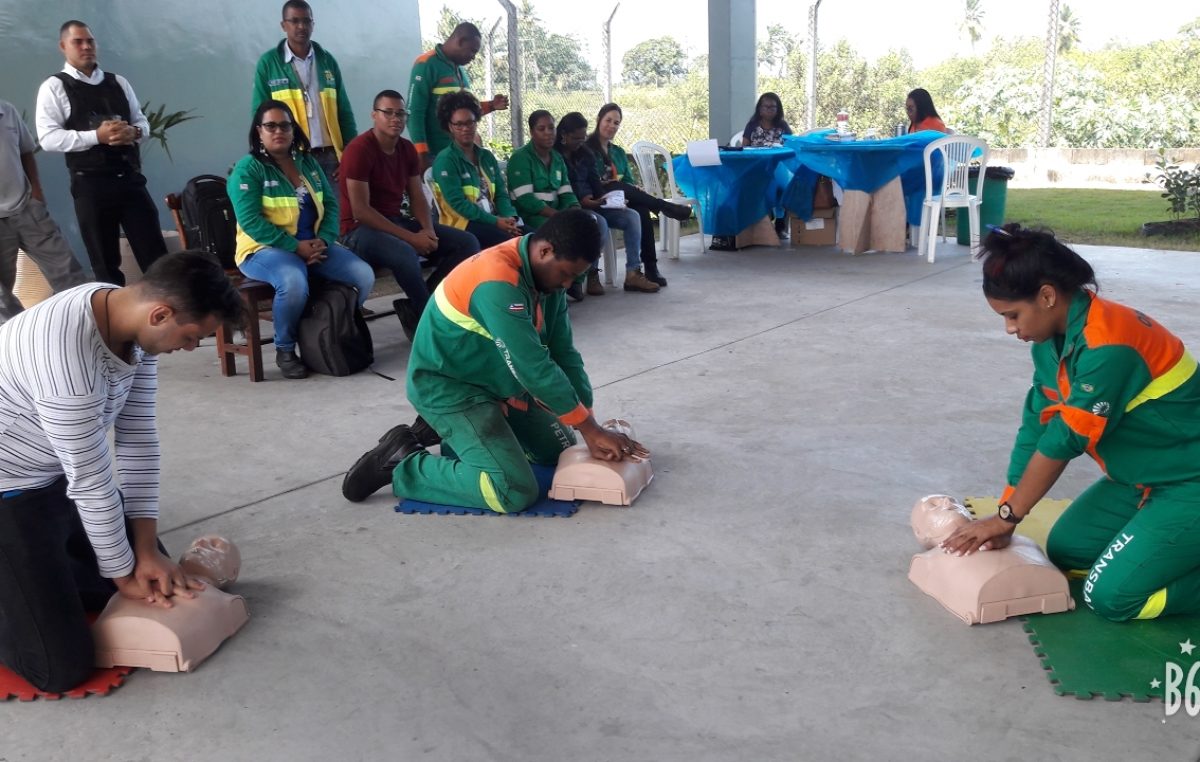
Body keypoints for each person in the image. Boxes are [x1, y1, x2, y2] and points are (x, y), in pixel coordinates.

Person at [0, 250, 244, 693]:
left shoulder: (130, 325)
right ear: (161, 313)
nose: (188, 349)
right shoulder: (65, 363)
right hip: (9, 489)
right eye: (190, 338)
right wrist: (123, 571)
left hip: (53, 475)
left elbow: (138, 441)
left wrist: (145, 552)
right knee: (59, 667)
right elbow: (92, 481)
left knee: (150, 580)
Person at [942, 225, 1200, 622]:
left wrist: (1008, 517)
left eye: (1013, 315)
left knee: (1111, 598)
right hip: (1139, 479)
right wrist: (1007, 509)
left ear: (1046, 296)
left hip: (1189, 482)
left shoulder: (1109, 344)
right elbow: (1036, 428)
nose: (1010, 329)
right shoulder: (1051, 343)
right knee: (1067, 551)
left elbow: (1065, 439)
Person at [341, 208, 649, 512]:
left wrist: (587, 420)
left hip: (500, 384)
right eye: (567, 274)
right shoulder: (496, 281)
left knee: (562, 454)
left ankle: (455, 437)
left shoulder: (547, 279)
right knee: (513, 491)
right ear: (544, 250)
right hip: (450, 388)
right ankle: (402, 463)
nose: (568, 285)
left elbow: (563, 353)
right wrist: (592, 431)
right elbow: (532, 367)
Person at [227, 100, 375, 380]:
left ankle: (324, 329)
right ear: (259, 131)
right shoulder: (248, 169)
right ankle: (285, 349)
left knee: (362, 275)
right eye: (270, 126)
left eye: (285, 125)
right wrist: (295, 247)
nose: (278, 131)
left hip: (313, 246)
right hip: (263, 250)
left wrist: (325, 239)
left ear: (293, 130)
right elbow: (250, 221)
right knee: (293, 281)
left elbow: (331, 205)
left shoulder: (307, 164)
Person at [36, 20, 167, 286]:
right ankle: (115, 326)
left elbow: (143, 122)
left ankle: (176, 320)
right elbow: (48, 138)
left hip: (130, 179)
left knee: (157, 258)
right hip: (90, 184)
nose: (86, 47)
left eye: (90, 41)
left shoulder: (117, 82)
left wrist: (135, 133)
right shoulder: (55, 87)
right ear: (63, 47)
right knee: (105, 264)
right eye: (78, 42)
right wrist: (97, 136)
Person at [339, 89, 478, 339]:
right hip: (359, 231)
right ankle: (432, 326)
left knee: (467, 243)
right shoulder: (359, 149)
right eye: (388, 113)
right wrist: (411, 239)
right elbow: (361, 211)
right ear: (374, 115)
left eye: (401, 113)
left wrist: (427, 230)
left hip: (394, 223)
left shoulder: (405, 149)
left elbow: (417, 195)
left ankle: (419, 304)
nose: (396, 118)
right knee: (405, 253)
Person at [0, 97, 87, 324]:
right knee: (1, 296)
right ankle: (18, 341)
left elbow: (26, 152)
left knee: (69, 273)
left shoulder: (6, 110)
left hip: (27, 209)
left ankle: (85, 327)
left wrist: (36, 193)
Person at [587, 103, 693, 288]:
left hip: (620, 203)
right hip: (597, 202)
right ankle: (662, 206)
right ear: (598, 120)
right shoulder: (586, 149)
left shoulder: (618, 153)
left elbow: (627, 180)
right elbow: (589, 183)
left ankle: (647, 268)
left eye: (616, 123)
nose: (612, 126)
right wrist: (619, 187)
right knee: (615, 185)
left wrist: (633, 190)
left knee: (642, 209)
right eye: (608, 121)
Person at [252, 0, 356, 181]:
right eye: (294, 21)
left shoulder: (327, 60)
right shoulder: (269, 63)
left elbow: (344, 111)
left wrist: (349, 154)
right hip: (292, 157)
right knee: (300, 209)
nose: (301, 26)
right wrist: (267, 158)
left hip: (331, 157)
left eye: (307, 21)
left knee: (335, 209)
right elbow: (259, 115)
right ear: (284, 25)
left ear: (313, 25)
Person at [555, 111, 657, 296]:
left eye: (583, 137)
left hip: (594, 203)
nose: (581, 141)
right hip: (573, 206)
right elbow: (564, 187)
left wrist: (608, 200)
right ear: (564, 135)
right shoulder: (556, 156)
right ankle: (591, 273)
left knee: (633, 215)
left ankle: (633, 272)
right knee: (598, 223)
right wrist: (584, 200)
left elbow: (595, 182)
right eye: (576, 138)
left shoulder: (586, 154)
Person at [408, 22, 509, 171]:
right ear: (460, 41)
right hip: (436, 156)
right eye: (472, 51)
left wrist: (492, 105)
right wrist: (421, 153)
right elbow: (414, 113)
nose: (474, 57)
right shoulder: (426, 64)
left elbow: (465, 111)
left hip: (463, 154)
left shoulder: (460, 70)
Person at [430, 91, 521, 250]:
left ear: (476, 122)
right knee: (514, 244)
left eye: (470, 122)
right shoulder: (446, 160)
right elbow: (458, 204)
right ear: (450, 126)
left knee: (531, 237)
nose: (465, 128)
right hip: (464, 224)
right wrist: (496, 222)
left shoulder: (486, 157)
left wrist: (509, 217)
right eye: (459, 124)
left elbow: (500, 193)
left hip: (493, 220)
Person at [741, 92, 794, 239]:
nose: (770, 109)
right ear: (759, 108)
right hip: (757, 167)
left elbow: (792, 146)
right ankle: (765, 214)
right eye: (766, 106)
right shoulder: (752, 126)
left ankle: (780, 224)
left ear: (778, 109)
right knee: (763, 180)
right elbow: (744, 148)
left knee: (780, 183)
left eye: (773, 107)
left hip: (780, 166)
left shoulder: (782, 126)